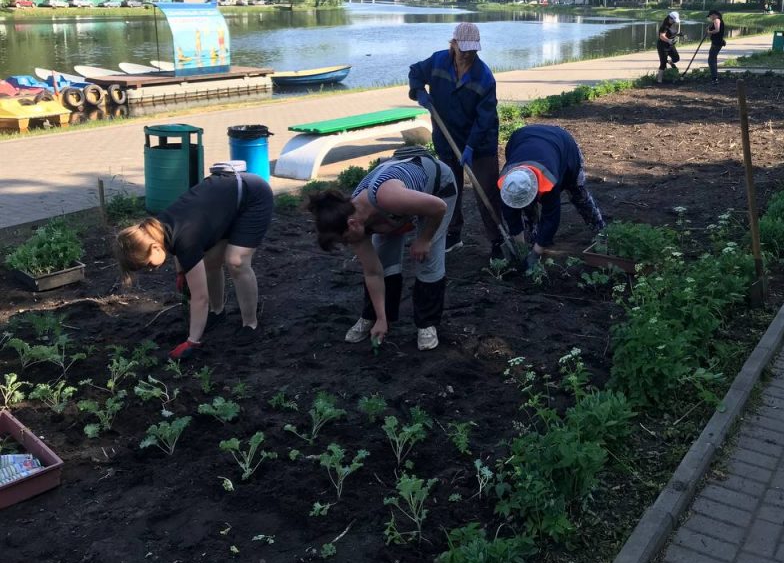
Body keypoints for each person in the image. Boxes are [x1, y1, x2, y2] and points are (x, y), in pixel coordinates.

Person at [306, 148, 457, 351]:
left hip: (437, 190)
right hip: (393, 211)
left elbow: (438, 207)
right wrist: (381, 318)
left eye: (345, 240)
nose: (348, 245)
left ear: (352, 225)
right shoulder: (355, 224)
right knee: (384, 258)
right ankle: (372, 317)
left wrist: (424, 239)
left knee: (427, 257)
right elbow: (373, 272)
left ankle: (427, 324)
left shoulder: (387, 197)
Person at [115, 168, 273, 360]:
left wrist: (192, 341)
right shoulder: (157, 228)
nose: (151, 269)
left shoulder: (184, 240)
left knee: (236, 261)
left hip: (252, 196)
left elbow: (200, 298)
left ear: (155, 248)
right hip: (227, 202)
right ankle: (218, 312)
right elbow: (176, 249)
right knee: (210, 262)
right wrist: (182, 273)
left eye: (148, 264)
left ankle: (250, 324)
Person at [408, 22, 504, 258]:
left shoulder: (484, 77)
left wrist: (471, 146)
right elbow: (415, 72)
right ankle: (453, 233)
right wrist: (418, 90)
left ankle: (498, 240)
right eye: (464, 49)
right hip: (446, 136)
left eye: (473, 50)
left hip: (479, 144)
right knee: (451, 189)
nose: (468, 54)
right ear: (453, 44)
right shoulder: (438, 61)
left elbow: (485, 118)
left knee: (486, 191)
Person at [497, 125, 605, 269]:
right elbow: (511, 214)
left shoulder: (549, 181)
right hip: (523, 138)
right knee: (525, 204)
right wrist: (521, 247)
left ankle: (601, 229)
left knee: (578, 194)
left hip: (564, 146)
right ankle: (533, 236)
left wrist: (536, 253)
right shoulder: (508, 184)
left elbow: (551, 217)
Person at [655, 11, 681, 83]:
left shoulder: (673, 24)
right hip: (662, 46)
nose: (674, 22)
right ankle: (659, 80)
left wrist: (678, 34)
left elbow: (672, 32)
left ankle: (669, 62)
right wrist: (668, 40)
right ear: (670, 18)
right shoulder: (664, 26)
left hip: (670, 45)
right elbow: (661, 36)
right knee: (663, 63)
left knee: (676, 58)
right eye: (673, 20)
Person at [706, 10, 726, 85]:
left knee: (711, 60)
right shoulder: (719, 20)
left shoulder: (716, 20)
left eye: (710, 16)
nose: (710, 18)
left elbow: (717, 30)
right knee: (713, 59)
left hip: (716, 43)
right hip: (717, 42)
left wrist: (709, 32)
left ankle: (714, 78)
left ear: (714, 15)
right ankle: (715, 77)